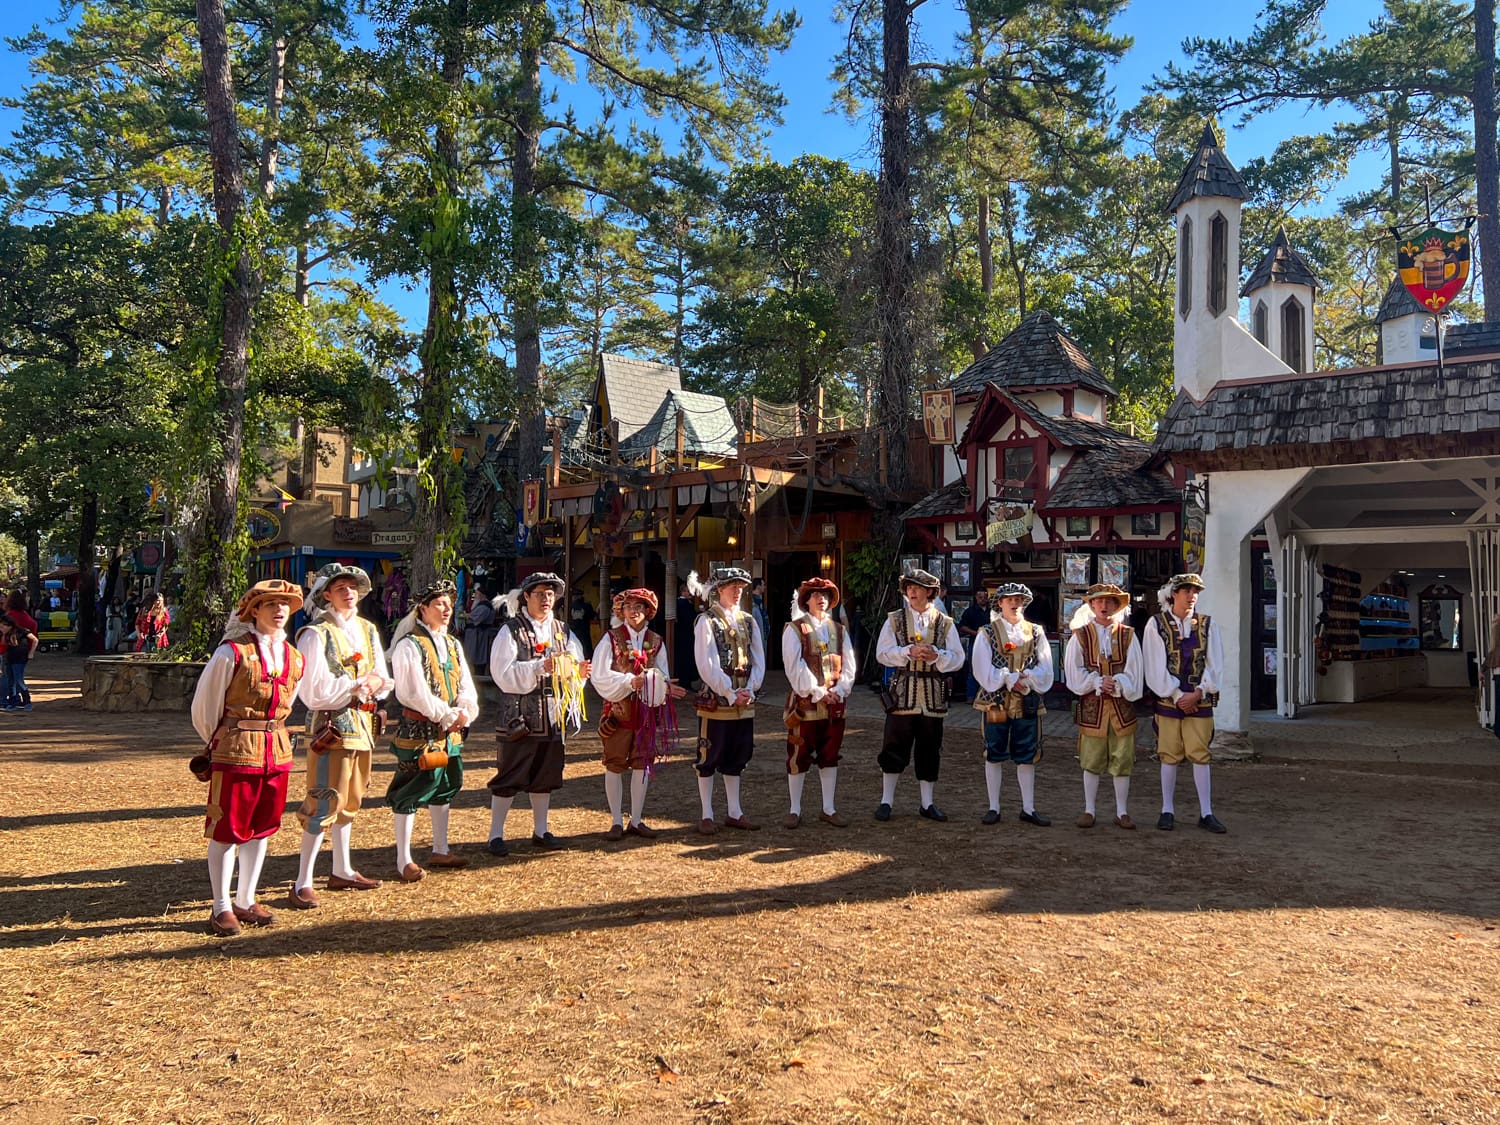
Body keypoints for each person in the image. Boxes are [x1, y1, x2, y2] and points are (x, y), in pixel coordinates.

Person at [189, 579, 307, 936]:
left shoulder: (294, 656)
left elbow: (289, 702)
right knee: (227, 828)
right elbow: (204, 706)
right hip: (237, 749)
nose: (279, 609)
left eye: (285, 603)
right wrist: (220, 738)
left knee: (261, 827)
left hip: (277, 750)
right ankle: (221, 906)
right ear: (253, 610)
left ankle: (246, 898)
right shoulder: (231, 652)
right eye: (270, 603)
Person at [291, 563, 394, 907]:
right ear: (327, 595)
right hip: (331, 726)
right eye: (340, 588)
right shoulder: (314, 634)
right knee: (323, 800)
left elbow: (381, 674)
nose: (348, 592)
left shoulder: (366, 629)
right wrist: (355, 685)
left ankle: (342, 869)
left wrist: (375, 685)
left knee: (351, 800)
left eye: (352, 586)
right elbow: (313, 691)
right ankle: (303, 880)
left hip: (362, 726)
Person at [488, 572, 590, 853]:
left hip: (553, 713)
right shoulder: (511, 630)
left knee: (545, 774)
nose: (546, 599)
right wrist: (537, 667)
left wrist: (579, 674)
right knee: (510, 773)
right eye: (540, 594)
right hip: (520, 714)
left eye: (550, 594)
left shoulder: (562, 631)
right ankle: (496, 834)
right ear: (526, 597)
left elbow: (575, 665)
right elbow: (501, 673)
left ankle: (541, 829)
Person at [385, 579, 480, 881]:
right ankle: (403, 859)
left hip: (449, 730)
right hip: (419, 729)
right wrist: (444, 713)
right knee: (412, 788)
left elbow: (465, 682)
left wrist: (465, 710)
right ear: (422, 609)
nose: (446, 608)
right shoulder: (409, 645)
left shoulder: (452, 644)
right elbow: (412, 692)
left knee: (447, 784)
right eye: (439, 603)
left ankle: (440, 848)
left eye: (449, 603)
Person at [589, 588, 687, 840]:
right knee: (614, 764)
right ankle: (614, 820)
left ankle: (636, 818)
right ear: (621, 611)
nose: (634, 612)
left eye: (639, 607)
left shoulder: (656, 641)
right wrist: (629, 682)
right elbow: (599, 674)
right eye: (629, 606)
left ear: (648, 611)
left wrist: (664, 686)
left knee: (642, 764)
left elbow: (661, 671)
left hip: (645, 714)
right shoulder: (610, 639)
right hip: (618, 712)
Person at [874, 567, 965, 822]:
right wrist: (905, 652)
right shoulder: (894, 619)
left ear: (929, 592)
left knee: (929, 749)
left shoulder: (944, 623)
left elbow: (958, 658)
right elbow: (882, 653)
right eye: (909, 587)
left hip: (933, 696)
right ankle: (886, 801)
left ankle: (927, 803)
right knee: (893, 747)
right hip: (903, 693)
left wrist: (937, 655)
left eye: (918, 588)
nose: (912, 592)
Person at [1143, 573, 1228, 834]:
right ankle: (1167, 809)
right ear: (1173, 594)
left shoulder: (1207, 624)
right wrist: (1179, 696)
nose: (1192, 595)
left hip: (1198, 699)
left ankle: (1206, 812)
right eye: (1186, 590)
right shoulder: (1155, 624)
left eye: (1195, 591)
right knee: (1169, 753)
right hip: (1171, 700)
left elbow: (1216, 663)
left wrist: (1200, 691)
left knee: (1200, 754)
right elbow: (1154, 666)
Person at [971, 582, 1054, 825]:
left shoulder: (1036, 631)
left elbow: (1045, 666)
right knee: (994, 751)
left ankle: (1028, 808)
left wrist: (1026, 681)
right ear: (1000, 603)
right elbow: (981, 668)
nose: (1015, 603)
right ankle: (993, 807)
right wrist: (1007, 679)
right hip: (995, 701)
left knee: (1027, 753)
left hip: (1027, 700)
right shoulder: (987, 631)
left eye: (1018, 599)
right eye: (1009, 600)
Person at [691, 566, 765, 833]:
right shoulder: (706, 621)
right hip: (718, 699)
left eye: (741, 587)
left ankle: (734, 811)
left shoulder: (748, 620)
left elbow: (759, 658)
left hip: (744, 698)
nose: (737, 592)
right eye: (732, 587)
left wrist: (751, 689)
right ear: (719, 589)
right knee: (709, 754)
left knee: (737, 756)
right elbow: (706, 663)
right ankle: (707, 813)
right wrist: (729, 693)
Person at [1064, 582, 1143, 830]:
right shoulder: (1081, 635)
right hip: (1093, 707)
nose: (1104, 606)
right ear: (1091, 605)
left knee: (1122, 758)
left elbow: (1136, 672)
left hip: (1121, 707)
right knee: (1092, 758)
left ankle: (1122, 811)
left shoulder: (1128, 635)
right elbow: (1073, 672)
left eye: (1109, 601)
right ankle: (1089, 809)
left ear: (1116, 606)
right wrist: (1097, 682)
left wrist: (1117, 683)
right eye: (1098, 601)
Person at [781, 576, 856, 828]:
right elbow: (794, 667)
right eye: (815, 594)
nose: (820, 598)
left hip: (834, 705)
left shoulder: (839, 630)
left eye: (824, 595)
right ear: (806, 600)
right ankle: (794, 809)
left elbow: (849, 664)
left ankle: (828, 807)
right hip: (806, 704)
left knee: (830, 754)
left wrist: (841, 689)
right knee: (799, 754)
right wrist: (818, 691)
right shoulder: (794, 629)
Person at [957, 588, 991, 701]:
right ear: (976, 598)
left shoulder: (992, 612)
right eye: (980, 597)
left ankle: (986, 696)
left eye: (984, 597)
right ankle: (971, 696)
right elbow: (962, 626)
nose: (982, 599)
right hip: (975, 643)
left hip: (990, 644)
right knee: (973, 669)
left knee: (989, 669)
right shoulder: (970, 611)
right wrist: (977, 633)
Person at [1, 612, 38, 712]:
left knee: (19, 680)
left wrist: (31, 653)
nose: (2, 628)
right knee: (10, 681)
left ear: (9, 625)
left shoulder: (22, 631)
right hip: (9, 659)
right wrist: (4, 635)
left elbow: (35, 640)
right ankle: (12, 702)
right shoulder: (5, 634)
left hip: (19, 658)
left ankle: (27, 701)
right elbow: (3, 646)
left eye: (3, 626)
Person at [462, 588, 498, 677]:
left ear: (483, 595)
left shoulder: (485, 606)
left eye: (477, 594)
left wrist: (466, 615)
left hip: (479, 635)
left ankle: (479, 675)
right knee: (474, 656)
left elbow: (477, 618)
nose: (476, 596)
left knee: (478, 656)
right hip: (474, 634)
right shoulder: (480, 605)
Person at [674, 581, 700, 692]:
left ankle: (687, 682)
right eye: (688, 591)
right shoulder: (682, 604)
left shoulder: (686, 604)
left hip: (685, 636)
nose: (690, 593)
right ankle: (685, 683)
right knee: (685, 659)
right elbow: (689, 620)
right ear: (683, 591)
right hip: (684, 636)